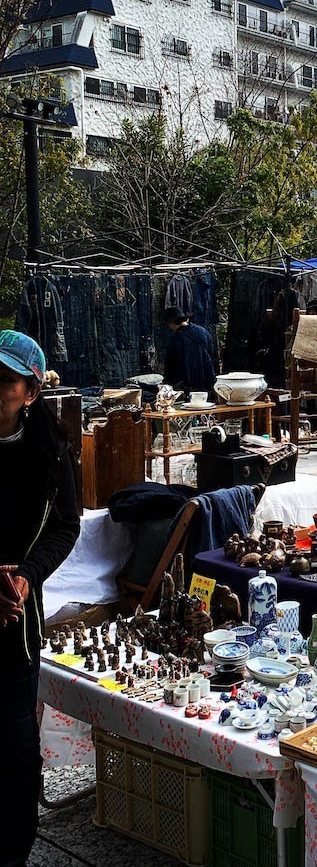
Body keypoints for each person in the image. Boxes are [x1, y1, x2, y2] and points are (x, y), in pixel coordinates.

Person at [0, 330, 80, 866]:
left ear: (30, 392)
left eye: (5, 380)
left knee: (15, 747)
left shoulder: (50, 451)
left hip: (15, 620)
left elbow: (65, 526)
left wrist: (26, 576)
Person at [163, 306, 217, 394]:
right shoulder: (203, 331)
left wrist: (168, 382)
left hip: (187, 382)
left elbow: (170, 363)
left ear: (173, 323)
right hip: (207, 378)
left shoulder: (176, 338)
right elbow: (211, 353)